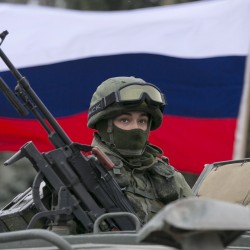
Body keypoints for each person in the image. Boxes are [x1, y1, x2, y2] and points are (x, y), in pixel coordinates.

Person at [87, 76, 194, 225]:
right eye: (125, 120)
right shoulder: (83, 175)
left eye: (142, 121)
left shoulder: (170, 176)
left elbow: (202, 230)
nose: (136, 128)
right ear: (104, 125)